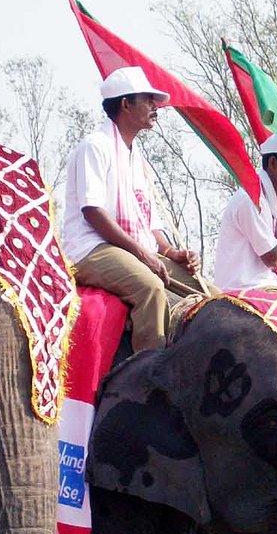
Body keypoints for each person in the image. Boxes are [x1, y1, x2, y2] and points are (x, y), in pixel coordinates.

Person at [61, 66, 200, 352]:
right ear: (125, 104)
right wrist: (143, 255)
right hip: (92, 249)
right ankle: (150, 379)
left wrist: (171, 252)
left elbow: (150, 223)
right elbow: (93, 212)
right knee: (149, 288)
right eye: (147, 99)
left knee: (207, 292)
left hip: (132, 250)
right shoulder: (95, 146)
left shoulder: (137, 158)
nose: (155, 106)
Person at [214, 133, 277, 291]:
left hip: (267, 288)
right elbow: (272, 259)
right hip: (242, 291)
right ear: (273, 163)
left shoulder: (276, 203)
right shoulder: (250, 199)